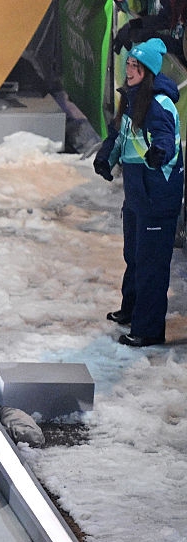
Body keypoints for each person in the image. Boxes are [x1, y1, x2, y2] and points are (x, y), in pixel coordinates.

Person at [94, 38, 184, 347]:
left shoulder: (159, 104)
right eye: (129, 64)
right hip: (136, 196)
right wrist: (107, 157)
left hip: (157, 197)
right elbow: (120, 136)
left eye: (136, 66)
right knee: (133, 256)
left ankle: (148, 330)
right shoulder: (132, 99)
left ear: (148, 71)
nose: (129, 69)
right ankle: (132, 310)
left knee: (150, 264)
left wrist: (158, 152)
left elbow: (165, 138)